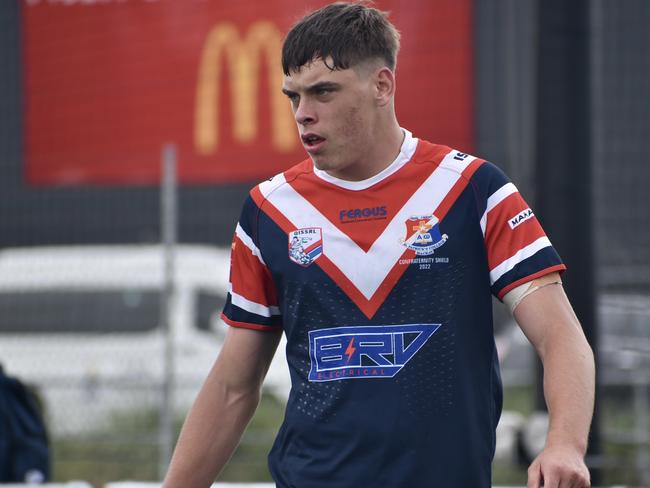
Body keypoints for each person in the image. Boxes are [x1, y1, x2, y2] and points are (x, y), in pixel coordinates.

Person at [164, 3, 595, 487]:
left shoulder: (474, 190)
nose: (303, 114)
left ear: (382, 86)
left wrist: (564, 444)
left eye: (323, 92)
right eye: (294, 97)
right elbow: (232, 387)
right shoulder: (269, 209)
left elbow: (560, 337)